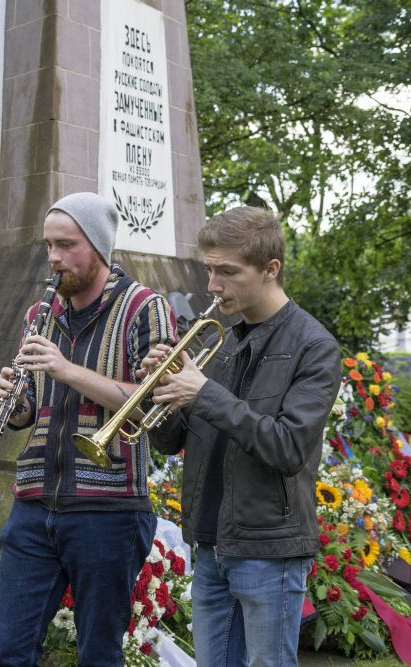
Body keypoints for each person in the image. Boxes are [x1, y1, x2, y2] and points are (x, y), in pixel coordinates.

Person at [143, 206, 340, 666]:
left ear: (271, 270)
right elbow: (175, 441)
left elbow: (288, 447)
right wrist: (160, 394)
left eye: (227, 272)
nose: (212, 285)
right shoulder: (224, 341)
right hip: (211, 543)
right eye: (209, 270)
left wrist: (205, 393)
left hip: (269, 549)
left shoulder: (315, 346)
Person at [0, 192, 177, 665]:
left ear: (97, 245)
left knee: (98, 654)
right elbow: (29, 410)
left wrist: (68, 369)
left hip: (108, 509)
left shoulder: (145, 309)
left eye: (66, 246)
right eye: (48, 245)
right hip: (33, 504)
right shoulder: (40, 314)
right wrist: (12, 405)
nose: (53, 259)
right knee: (10, 651)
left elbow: (154, 406)